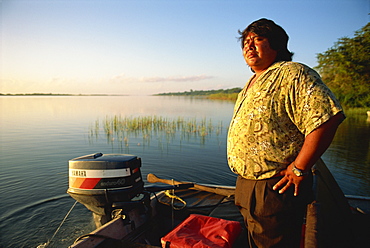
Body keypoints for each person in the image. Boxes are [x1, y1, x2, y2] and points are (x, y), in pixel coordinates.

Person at [227, 18, 345, 248]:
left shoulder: (292, 73)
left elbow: (328, 117)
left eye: (258, 39)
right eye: (246, 41)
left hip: (275, 186)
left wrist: (300, 167)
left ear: (277, 44)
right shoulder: (252, 82)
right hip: (246, 184)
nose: (249, 46)